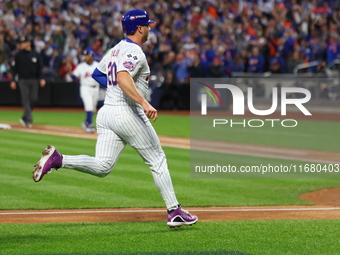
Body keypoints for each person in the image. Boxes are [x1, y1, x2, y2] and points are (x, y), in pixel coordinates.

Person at [32, 9, 198, 228]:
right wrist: (144, 102)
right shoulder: (135, 52)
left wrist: (116, 89)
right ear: (140, 28)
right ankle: (174, 211)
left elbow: (99, 74)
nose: (149, 28)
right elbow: (121, 77)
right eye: (147, 25)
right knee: (157, 160)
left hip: (107, 112)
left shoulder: (116, 49)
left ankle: (59, 159)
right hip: (126, 112)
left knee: (103, 166)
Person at [10, 35, 46, 128]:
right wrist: (13, 80)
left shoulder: (35, 54)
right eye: (21, 43)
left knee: (33, 99)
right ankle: (28, 120)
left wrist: (41, 78)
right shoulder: (19, 55)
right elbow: (15, 69)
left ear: (29, 43)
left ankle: (24, 117)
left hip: (34, 80)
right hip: (23, 80)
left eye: (24, 42)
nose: (22, 44)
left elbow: (39, 68)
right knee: (25, 99)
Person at [69, 48, 99, 133]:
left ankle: (86, 122)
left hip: (95, 88)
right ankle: (89, 125)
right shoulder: (81, 66)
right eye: (85, 55)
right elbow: (74, 77)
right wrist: (69, 72)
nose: (86, 57)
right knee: (89, 106)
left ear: (92, 56)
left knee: (93, 109)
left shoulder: (98, 65)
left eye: (87, 55)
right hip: (85, 88)